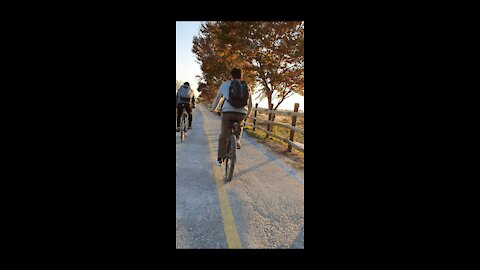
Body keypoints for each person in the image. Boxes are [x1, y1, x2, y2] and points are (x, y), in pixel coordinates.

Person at [210, 68, 252, 166]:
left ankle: (220, 159)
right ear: (241, 76)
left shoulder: (225, 84)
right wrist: (248, 114)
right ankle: (237, 139)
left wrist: (213, 109)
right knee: (238, 125)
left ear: (231, 75)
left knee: (224, 135)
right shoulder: (246, 86)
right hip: (241, 113)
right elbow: (250, 103)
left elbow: (217, 99)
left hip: (227, 113)